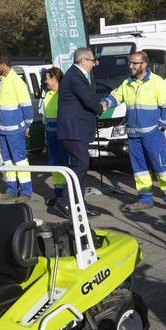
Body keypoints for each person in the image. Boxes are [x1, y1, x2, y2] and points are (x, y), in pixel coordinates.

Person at [104, 51, 166, 212]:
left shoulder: (156, 82)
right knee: (140, 170)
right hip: (133, 135)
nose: (130, 66)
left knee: (161, 167)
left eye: (134, 63)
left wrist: (160, 127)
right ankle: (145, 199)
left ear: (144, 65)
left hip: (153, 135)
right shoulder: (127, 83)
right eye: (129, 63)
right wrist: (103, 104)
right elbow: (115, 98)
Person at [56, 47, 105, 214]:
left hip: (76, 131)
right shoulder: (75, 76)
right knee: (81, 165)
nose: (94, 64)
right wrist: (101, 107)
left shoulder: (75, 75)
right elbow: (88, 99)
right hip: (73, 131)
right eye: (92, 61)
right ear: (83, 61)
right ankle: (64, 201)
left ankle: (78, 203)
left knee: (81, 165)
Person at [0, 54, 34, 200]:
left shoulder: (16, 81)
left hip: (15, 130)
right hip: (3, 129)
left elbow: (26, 104)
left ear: (3, 65)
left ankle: (26, 191)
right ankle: (11, 189)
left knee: (20, 160)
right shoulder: (2, 79)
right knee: (7, 160)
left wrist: (28, 124)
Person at [41, 67, 66, 200]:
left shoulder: (64, 94)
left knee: (64, 164)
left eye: (47, 79)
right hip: (51, 137)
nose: (46, 82)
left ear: (55, 79)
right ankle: (58, 195)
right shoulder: (48, 95)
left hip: (62, 136)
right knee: (54, 164)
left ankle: (66, 195)